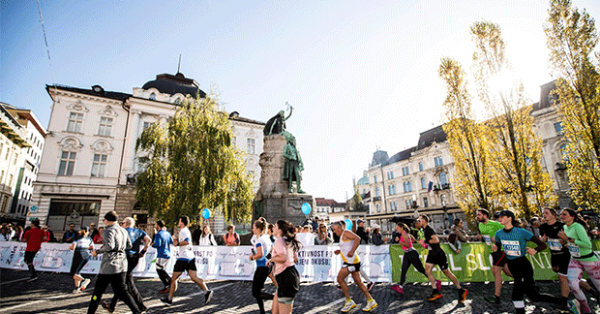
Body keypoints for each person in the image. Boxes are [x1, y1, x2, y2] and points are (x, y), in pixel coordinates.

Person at [493, 210, 562, 314]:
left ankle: (564, 302)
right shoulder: (499, 233)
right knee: (533, 296)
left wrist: (535, 250)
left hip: (523, 265)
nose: (499, 219)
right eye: (498, 217)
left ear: (509, 218)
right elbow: (498, 246)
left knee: (517, 291)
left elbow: (543, 245)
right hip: (512, 265)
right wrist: (496, 248)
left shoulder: (522, 232)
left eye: (502, 217)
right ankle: (562, 302)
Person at [87, 211, 143, 314]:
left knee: (97, 292)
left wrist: (97, 252)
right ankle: (136, 311)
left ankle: (90, 312)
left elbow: (110, 246)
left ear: (107, 220)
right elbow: (129, 245)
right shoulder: (123, 230)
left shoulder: (107, 230)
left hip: (109, 265)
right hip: (122, 264)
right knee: (122, 291)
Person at [161, 215, 213, 306]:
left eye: (179, 220)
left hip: (183, 258)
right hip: (190, 257)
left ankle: (169, 299)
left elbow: (187, 241)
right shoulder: (186, 231)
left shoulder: (183, 231)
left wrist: (177, 244)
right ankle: (207, 292)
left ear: (182, 222)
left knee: (173, 279)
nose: (178, 222)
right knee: (194, 277)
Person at [103, 217, 150, 313]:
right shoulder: (140, 231)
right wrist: (143, 251)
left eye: (122, 222)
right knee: (124, 282)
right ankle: (113, 306)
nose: (121, 224)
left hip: (124, 257)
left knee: (123, 283)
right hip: (134, 258)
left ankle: (140, 307)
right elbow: (148, 240)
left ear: (126, 223)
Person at [558, 208, 600, 314]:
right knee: (573, 285)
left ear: (572, 217)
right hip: (575, 259)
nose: (561, 216)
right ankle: (586, 310)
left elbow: (587, 245)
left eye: (564, 214)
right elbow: (572, 244)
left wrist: (568, 238)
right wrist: (565, 242)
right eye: (561, 214)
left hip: (589, 259)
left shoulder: (578, 227)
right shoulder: (564, 227)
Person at [417, 215, 467, 303]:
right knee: (428, 271)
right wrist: (424, 244)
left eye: (419, 220)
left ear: (424, 221)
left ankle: (460, 289)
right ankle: (435, 291)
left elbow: (436, 240)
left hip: (438, 254)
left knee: (447, 272)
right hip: (432, 253)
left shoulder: (429, 229)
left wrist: (424, 242)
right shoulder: (424, 230)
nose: (418, 221)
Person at [332, 221, 377, 312]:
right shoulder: (343, 235)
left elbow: (358, 239)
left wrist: (352, 251)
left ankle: (349, 301)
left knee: (340, 279)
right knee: (358, 282)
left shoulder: (346, 233)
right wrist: (339, 251)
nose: (334, 232)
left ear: (339, 228)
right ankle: (370, 300)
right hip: (350, 261)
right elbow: (346, 246)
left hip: (351, 262)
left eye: (335, 230)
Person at [476, 208, 512, 305]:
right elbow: (485, 237)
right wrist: (481, 237)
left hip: (500, 250)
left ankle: (497, 297)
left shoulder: (495, 224)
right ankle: (527, 281)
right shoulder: (480, 225)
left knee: (496, 272)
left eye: (479, 215)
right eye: (477, 215)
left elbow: (507, 232)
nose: (477, 217)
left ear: (485, 215)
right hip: (492, 251)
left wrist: (497, 241)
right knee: (508, 272)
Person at [269, 219, 301, 314]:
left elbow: (283, 258)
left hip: (286, 278)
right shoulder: (287, 240)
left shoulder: (279, 241)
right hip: (288, 276)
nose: (273, 228)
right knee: (275, 311)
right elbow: (295, 259)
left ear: (279, 230)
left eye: (275, 226)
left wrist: (272, 259)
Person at [391, 222, 427, 295]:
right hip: (408, 253)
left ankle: (435, 281)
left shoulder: (404, 234)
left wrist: (400, 242)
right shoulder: (406, 233)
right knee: (404, 269)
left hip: (411, 253)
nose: (397, 230)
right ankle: (400, 286)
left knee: (421, 269)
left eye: (398, 228)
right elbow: (413, 240)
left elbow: (407, 245)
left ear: (402, 228)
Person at [250, 219, 274, 314]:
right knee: (257, 291)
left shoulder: (259, 240)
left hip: (262, 267)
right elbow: (271, 249)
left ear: (257, 229)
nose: (252, 229)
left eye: (253, 227)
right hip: (266, 265)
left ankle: (275, 298)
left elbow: (260, 254)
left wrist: (252, 257)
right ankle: (262, 311)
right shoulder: (266, 237)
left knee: (255, 292)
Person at [69, 226, 94, 293]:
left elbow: (73, 247)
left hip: (78, 255)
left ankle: (84, 280)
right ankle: (77, 288)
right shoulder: (89, 238)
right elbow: (92, 247)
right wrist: (85, 248)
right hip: (86, 255)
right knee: (77, 272)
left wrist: (70, 247)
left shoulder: (77, 238)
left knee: (73, 273)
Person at [152, 219, 172, 293]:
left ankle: (169, 282)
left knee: (159, 269)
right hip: (168, 254)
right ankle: (167, 285)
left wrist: (153, 245)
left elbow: (158, 244)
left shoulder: (158, 234)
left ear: (158, 225)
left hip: (161, 254)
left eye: (156, 225)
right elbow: (171, 241)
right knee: (162, 269)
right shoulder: (167, 233)